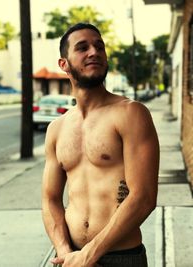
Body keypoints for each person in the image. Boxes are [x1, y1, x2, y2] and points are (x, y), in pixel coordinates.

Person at [41, 23, 159, 267]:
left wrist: (89, 255)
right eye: (82, 48)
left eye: (99, 46)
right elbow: (50, 200)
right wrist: (66, 253)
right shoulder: (57, 129)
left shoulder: (131, 114)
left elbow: (144, 197)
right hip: (70, 257)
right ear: (64, 64)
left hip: (121, 258)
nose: (94, 52)